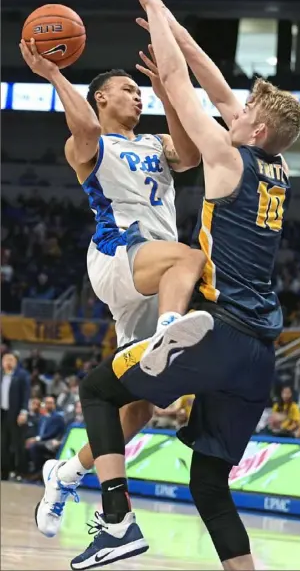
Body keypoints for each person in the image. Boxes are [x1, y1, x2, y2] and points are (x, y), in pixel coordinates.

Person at [70, 0, 300, 569]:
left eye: (244, 109)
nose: (233, 109)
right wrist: (171, 26)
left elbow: (179, 80)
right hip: (260, 355)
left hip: (219, 332)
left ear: (257, 127)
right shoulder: (276, 168)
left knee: (100, 391)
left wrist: (152, 1)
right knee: (209, 486)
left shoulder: (226, 155)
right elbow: (214, 82)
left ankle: (116, 521)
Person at [19, 36, 205, 537]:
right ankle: (170, 326)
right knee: (192, 256)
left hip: (156, 273)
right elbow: (81, 125)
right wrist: (56, 75)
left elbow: (188, 156)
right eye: (128, 89)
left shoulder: (152, 144)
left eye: (138, 90)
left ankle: (65, 475)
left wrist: (168, 96)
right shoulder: (89, 144)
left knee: (137, 407)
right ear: (101, 98)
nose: (136, 95)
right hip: (119, 256)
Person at [1, 352, 30, 480]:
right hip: (2, 414)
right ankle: (4, 472)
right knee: (3, 444)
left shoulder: (22, 375)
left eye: (11, 359)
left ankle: (20, 472)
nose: (8, 362)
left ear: (16, 362)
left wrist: (24, 411)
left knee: (17, 444)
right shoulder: (1, 374)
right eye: (5, 359)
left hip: (16, 414)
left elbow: (26, 394)